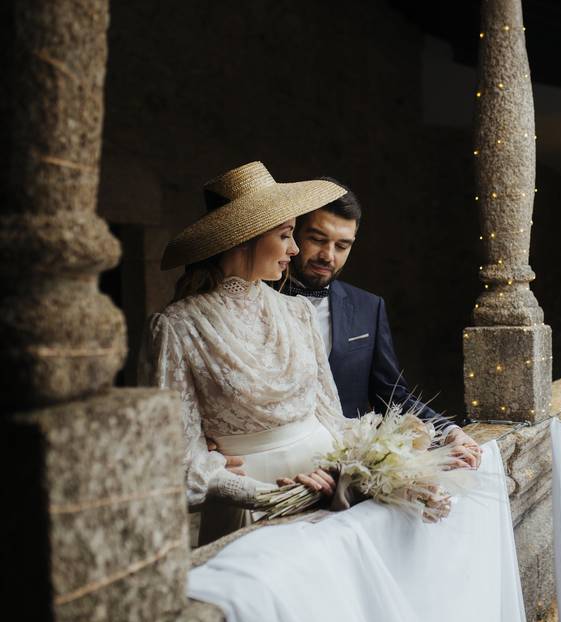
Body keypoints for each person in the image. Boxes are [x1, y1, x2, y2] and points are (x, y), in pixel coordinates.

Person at [140, 161, 449, 545]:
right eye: (286, 234)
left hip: (327, 488)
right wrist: (261, 494)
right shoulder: (177, 327)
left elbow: (331, 417)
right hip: (250, 505)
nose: (296, 248)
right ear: (246, 237)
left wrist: (398, 461)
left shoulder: (296, 311)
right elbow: (172, 460)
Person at [282, 178, 484, 468]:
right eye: (317, 239)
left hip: (348, 468)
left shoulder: (368, 308)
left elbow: (391, 395)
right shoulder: (255, 299)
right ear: (294, 233)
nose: (328, 256)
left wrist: (448, 431)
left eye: (342, 245)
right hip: (277, 469)